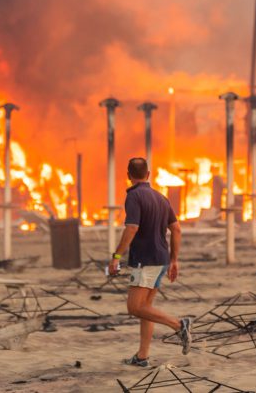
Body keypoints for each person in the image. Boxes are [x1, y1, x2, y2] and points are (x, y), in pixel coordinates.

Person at [108, 157, 192, 367]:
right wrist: (174, 260)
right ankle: (142, 356)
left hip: (144, 260)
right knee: (146, 307)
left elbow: (132, 228)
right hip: (161, 258)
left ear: (128, 176)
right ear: (149, 174)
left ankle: (179, 325)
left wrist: (116, 256)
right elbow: (177, 229)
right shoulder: (161, 198)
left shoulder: (134, 196)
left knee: (134, 307)